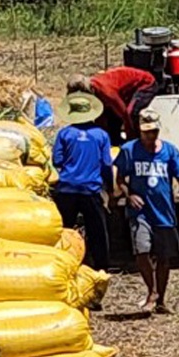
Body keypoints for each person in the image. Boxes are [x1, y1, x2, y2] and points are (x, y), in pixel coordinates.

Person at [114, 109, 179, 315]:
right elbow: (119, 178)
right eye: (147, 132)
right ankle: (152, 291)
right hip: (141, 212)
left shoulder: (170, 151)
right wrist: (129, 195)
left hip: (164, 212)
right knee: (142, 250)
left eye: (154, 131)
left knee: (164, 257)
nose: (150, 136)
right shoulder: (129, 151)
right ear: (140, 130)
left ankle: (161, 300)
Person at [51, 92, 113, 275]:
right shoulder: (101, 135)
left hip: (66, 188)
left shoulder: (65, 134)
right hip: (90, 189)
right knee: (98, 231)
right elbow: (106, 164)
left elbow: (57, 160)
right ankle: (101, 267)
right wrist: (109, 187)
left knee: (64, 230)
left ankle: (62, 263)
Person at [69, 66, 157, 142]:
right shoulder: (95, 92)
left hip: (145, 83)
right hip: (125, 90)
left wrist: (130, 137)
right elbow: (100, 114)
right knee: (110, 117)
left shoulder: (106, 91)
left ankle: (137, 142)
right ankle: (115, 141)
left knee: (131, 113)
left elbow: (124, 113)